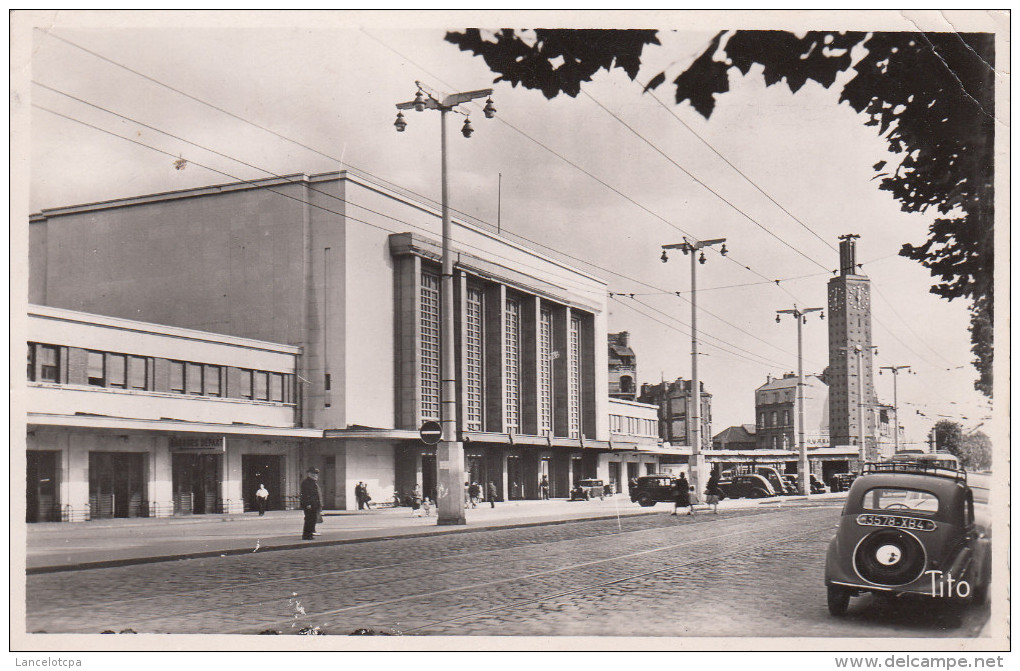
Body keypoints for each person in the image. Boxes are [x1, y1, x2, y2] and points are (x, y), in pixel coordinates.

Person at [300, 467, 322, 539]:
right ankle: (306, 535)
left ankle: (310, 534)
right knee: (309, 520)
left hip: (314, 504)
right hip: (309, 505)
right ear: (308, 474)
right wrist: (308, 504)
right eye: (313, 473)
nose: (315, 475)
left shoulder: (313, 482)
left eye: (316, 474)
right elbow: (306, 494)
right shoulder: (306, 482)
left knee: (312, 519)